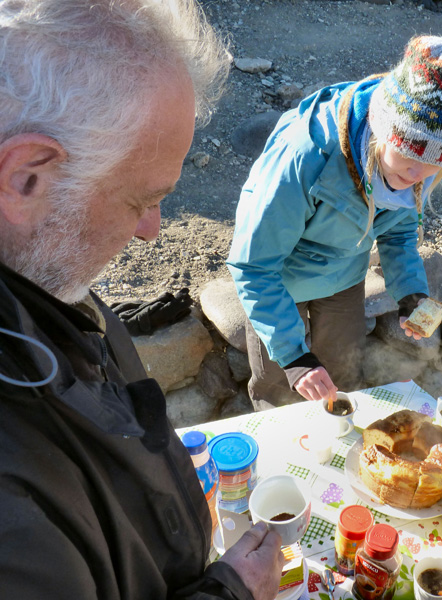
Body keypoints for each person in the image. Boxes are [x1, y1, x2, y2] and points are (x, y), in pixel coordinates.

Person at [0, 1, 285, 598]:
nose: (152, 229)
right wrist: (233, 591)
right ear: (26, 177)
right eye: (141, 199)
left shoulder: (39, 275)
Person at [227, 35, 442, 408]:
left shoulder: (415, 170)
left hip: (343, 274)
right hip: (277, 279)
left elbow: (398, 233)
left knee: (343, 376)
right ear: (383, 130)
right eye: (410, 154)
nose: (419, 174)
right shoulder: (306, 155)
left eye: (436, 164)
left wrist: (411, 293)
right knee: (279, 384)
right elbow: (254, 266)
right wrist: (295, 359)